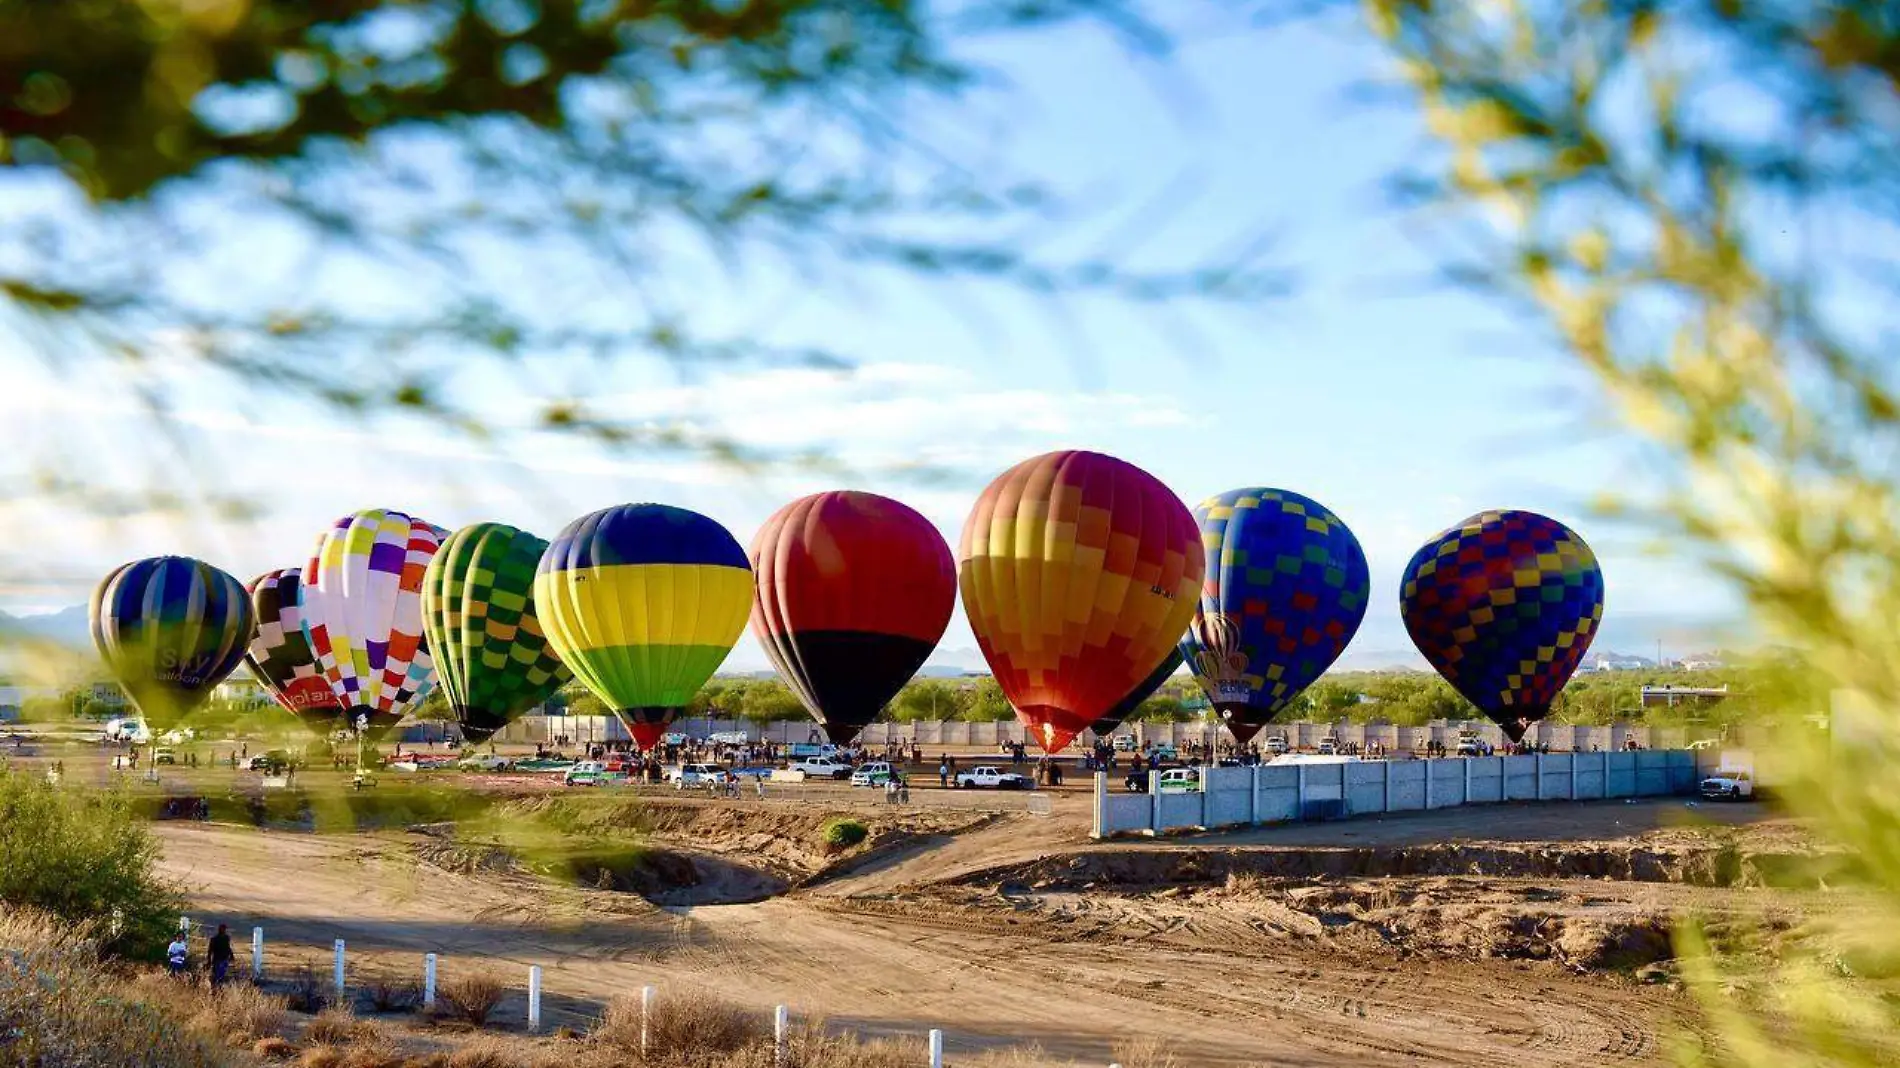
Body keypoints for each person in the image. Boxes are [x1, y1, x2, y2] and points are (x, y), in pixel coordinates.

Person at [208, 924, 234, 988]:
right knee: (218, 975)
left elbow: (228, 947)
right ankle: (217, 987)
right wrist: (209, 960)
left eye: (224, 929)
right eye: (223, 929)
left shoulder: (226, 938)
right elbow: (210, 950)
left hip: (222, 959)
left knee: (220, 975)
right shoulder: (215, 939)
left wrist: (231, 955)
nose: (224, 930)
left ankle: (218, 987)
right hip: (218, 959)